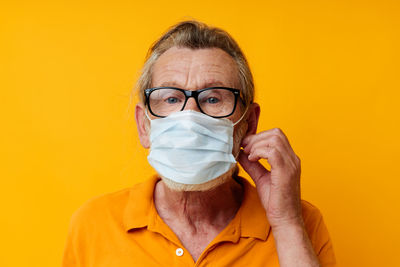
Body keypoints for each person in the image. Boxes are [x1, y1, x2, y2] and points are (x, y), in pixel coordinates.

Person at [62, 20, 336, 267]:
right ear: (144, 126)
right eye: (171, 99)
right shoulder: (94, 224)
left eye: (213, 98)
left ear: (248, 124)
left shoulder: (300, 222)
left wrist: (285, 223)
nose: (190, 116)